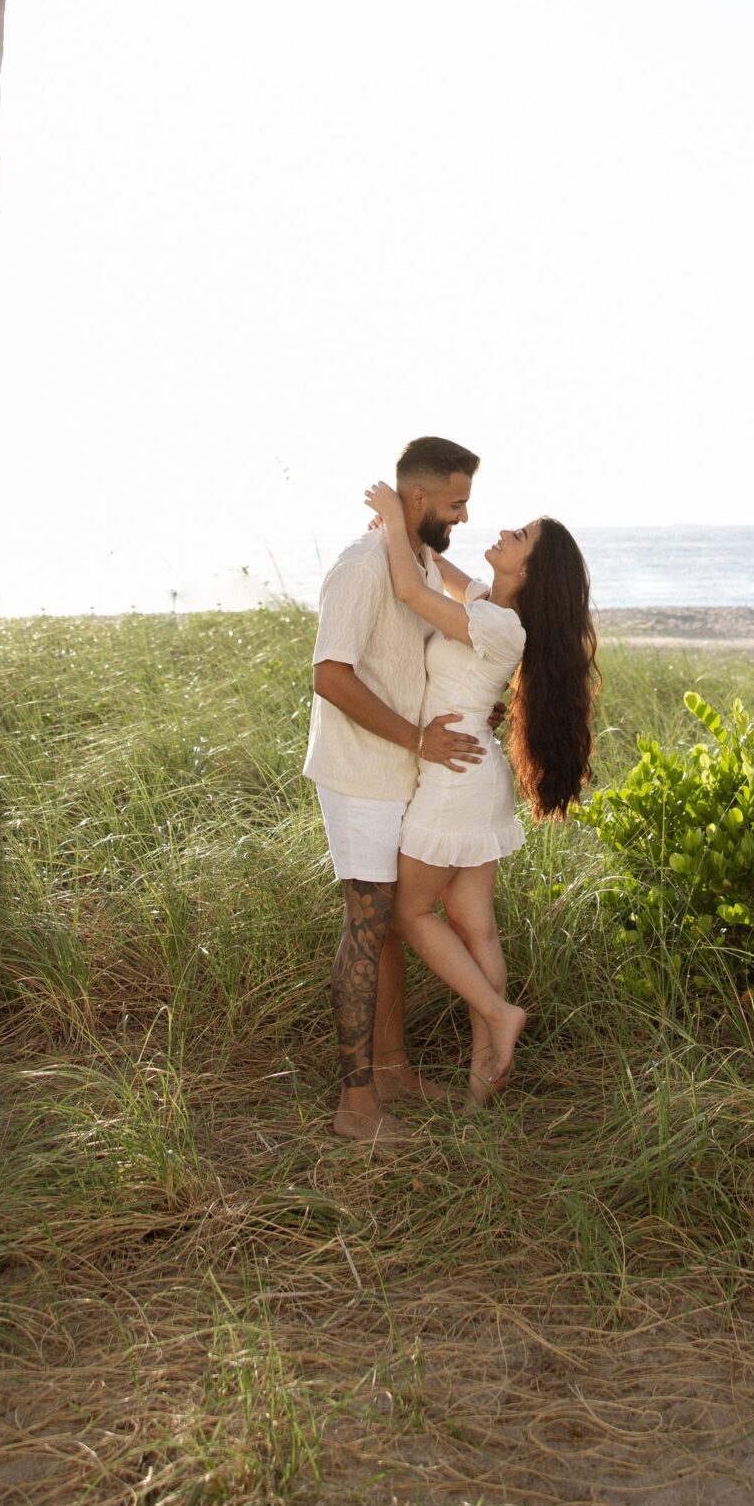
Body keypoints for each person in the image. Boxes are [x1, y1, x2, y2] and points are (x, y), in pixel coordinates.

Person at [365, 478, 596, 1105]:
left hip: (454, 779)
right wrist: (422, 544)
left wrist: (393, 520)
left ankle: (498, 1015)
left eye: (518, 536)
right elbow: (443, 577)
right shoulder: (493, 606)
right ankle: (481, 1083)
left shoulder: (499, 624)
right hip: (473, 773)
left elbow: (412, 591)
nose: (503, 532)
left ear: (532, 569)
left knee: (411, 914)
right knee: (474, 927)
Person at [307, 436, 485, 1144]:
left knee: (387, 935)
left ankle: (393, 1073)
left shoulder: (410, 559)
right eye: (455, 503)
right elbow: (330, 675)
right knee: (366, 924)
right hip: (360, 777)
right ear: (418, 499)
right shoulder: (360, 568)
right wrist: (416, 739)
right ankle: (356, 1109)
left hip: (399, 774)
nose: (464, 516)